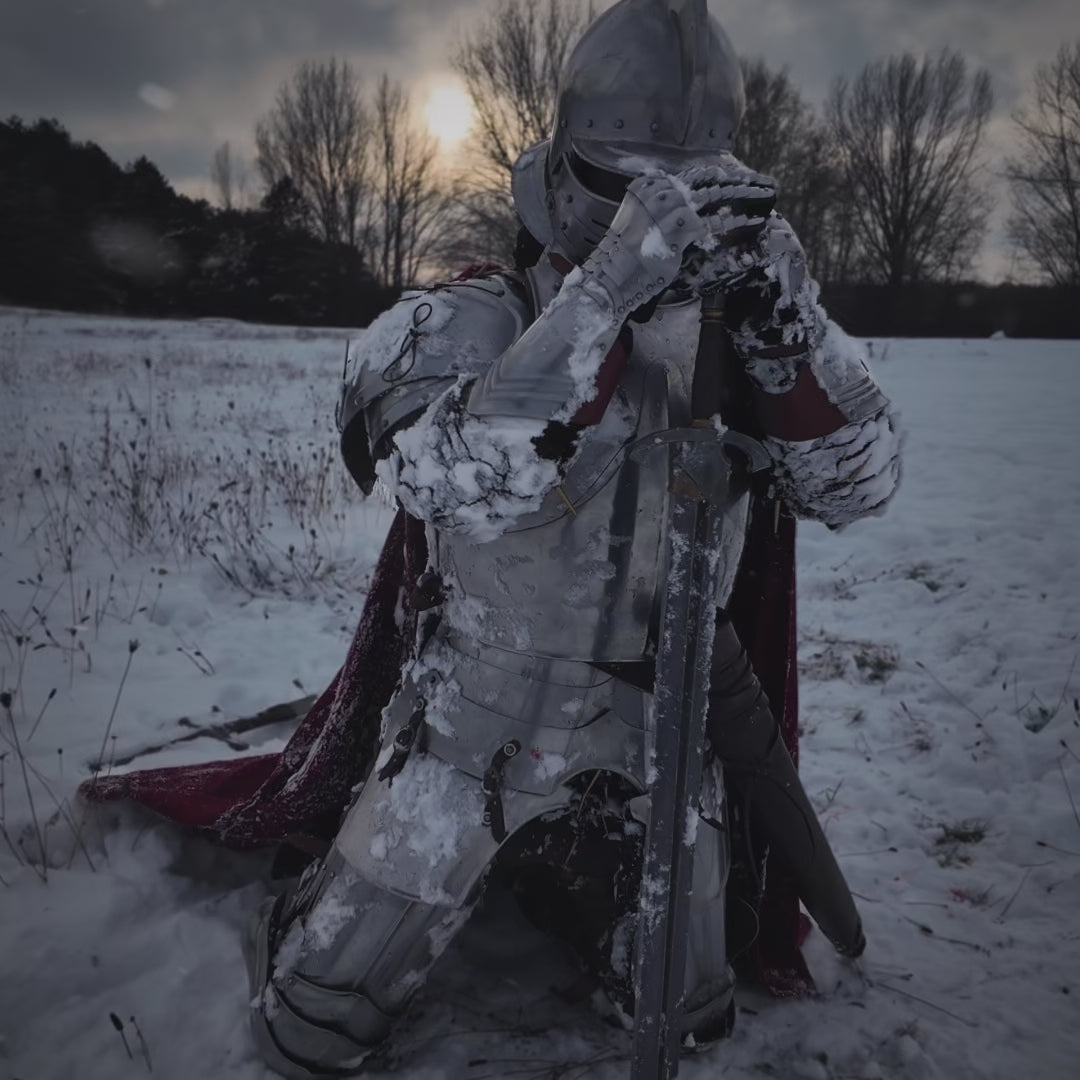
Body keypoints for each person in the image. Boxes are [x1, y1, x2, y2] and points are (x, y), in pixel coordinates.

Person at [243, 1, 903, 1075]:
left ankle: (585, 898)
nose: (656, 211)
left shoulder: (739, 327)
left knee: (687, 1014)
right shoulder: (480, 317)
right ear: (564, 172)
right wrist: (604, 293)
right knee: (314, 1020)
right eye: (627, 184)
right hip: (476, 724)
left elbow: (858, 481)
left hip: (666, 731)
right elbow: (451, 482)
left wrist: (790, 336)